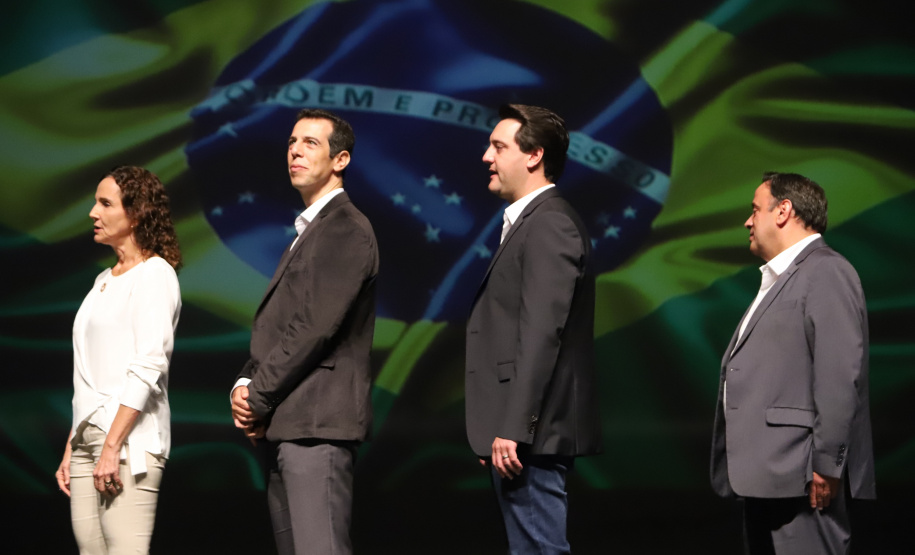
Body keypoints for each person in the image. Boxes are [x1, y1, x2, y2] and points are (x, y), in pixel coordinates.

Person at [230, 108, 378, 555]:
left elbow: (313, 327)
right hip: (288, 423)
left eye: (310, 142)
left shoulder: (345, 228)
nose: (294, 150)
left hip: (317, 427)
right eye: (292, 142)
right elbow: (279, 326)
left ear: (341, 160)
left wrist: (256, 397)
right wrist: (244, 381)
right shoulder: (310, 230)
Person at [710, 172, 876, 554]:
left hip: (802, 477)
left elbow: (839, 374)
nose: (748, 221)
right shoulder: (784, 277)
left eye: (755, 210)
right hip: (770, 475)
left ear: (783, 210)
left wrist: (826, 465)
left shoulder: (826, 271)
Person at [465, 104, 602, 554]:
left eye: (498, 146)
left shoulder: (550, 223)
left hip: (532, 434)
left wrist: (514, 427)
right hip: (523, 432)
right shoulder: (531, 221)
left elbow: (543, 332)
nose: (487, 156)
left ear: (533, 156)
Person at [55, 166, 182, 555]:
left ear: (137, 212)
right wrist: (72, 443)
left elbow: (148, 365)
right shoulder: (103, 281)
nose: (93, 212)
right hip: (87, 440)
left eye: (105, 203)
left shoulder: (154, 275)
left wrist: (112, 446)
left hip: (128, 441)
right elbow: (90, 371)